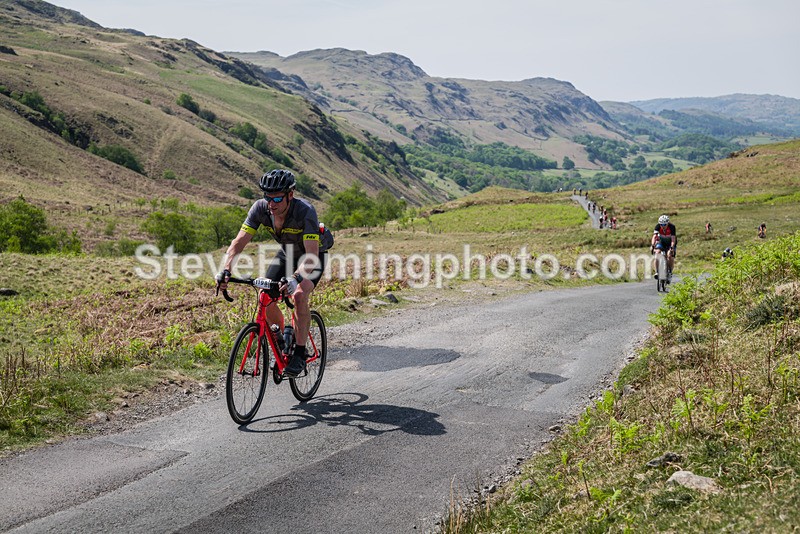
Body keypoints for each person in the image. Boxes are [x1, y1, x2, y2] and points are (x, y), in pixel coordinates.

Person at [216, 169, 334, 377]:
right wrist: (225, 270)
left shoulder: (305, 211)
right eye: (267, 197)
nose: (271, 203)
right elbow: (239, 242)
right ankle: (281, 342)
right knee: (265, 295)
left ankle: (299, 353)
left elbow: (311, 256)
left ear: (290, 195)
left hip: (312, 256)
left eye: (277, 198)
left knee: (299, 295)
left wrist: (294, 278)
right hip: (287, 253)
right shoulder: (260, 209)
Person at [651, 214, 677, 282]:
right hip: (661, 242)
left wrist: (672, 247)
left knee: (669, 256)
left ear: (668, 223)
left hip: (670, 243)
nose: (663, 226)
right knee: (657, 254)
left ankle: (670, 272)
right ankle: (657, 272)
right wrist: (652, 245)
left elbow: (673, 239)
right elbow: (654, 236)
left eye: (664, 224)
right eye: (661, 224)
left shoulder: (672, 227)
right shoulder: (657, 226)